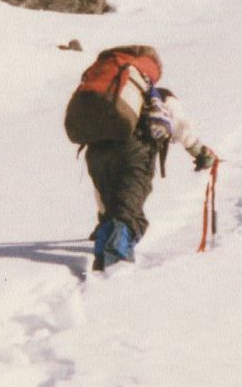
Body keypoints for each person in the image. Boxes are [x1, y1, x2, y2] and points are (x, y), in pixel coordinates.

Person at [86, 77, 218, 273]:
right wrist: (201, 153)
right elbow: (182, 129)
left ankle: (102, 261)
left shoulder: (112, 99)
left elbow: (101, 195)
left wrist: (105, 214)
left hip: (96, 152)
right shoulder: (162, 97)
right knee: (128, 213)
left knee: (112, 209)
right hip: (135, 153)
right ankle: (114, 271)